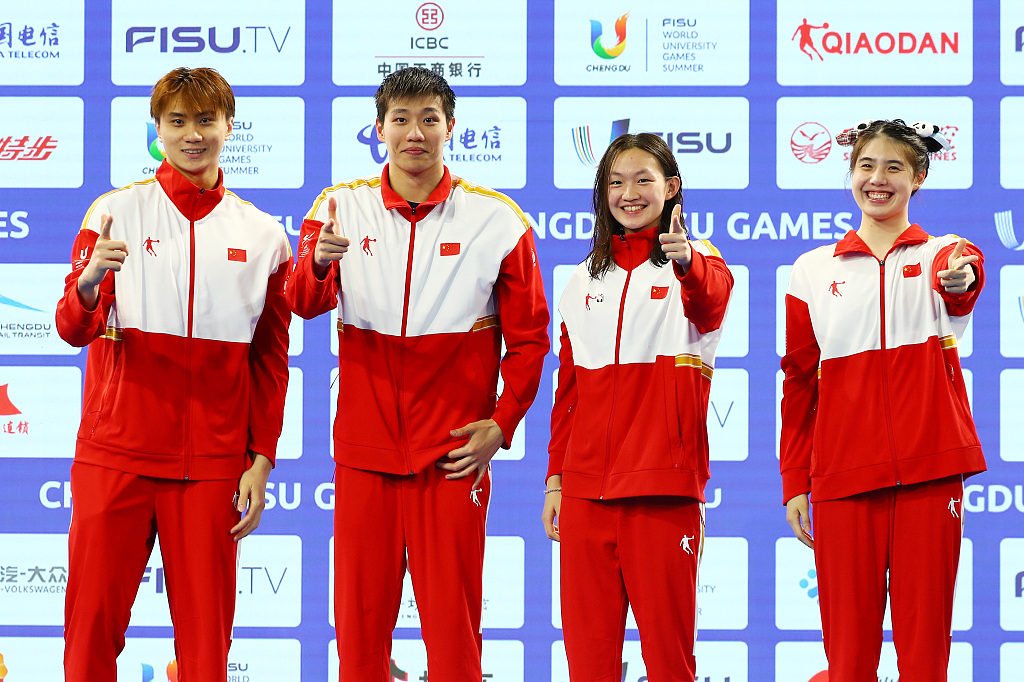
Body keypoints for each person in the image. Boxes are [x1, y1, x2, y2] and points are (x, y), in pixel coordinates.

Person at [286, 67, 549, 681]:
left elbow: (532, 341)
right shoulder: (337, 207)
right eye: (400, 119)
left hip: (452, 455)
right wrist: (320, 266)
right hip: (364, 453)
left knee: (454, 636)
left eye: (429, 119)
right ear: (378, 130)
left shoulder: (497, 220)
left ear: (450, 128)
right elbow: (300, 301)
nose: (414, 133)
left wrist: (501, 425)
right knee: (358, 637)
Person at [55, 67, 292, 682]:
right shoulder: (114, 212)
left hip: (211, 467)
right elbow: (70, 327)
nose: (193, 136)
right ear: (157, 130)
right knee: (88, 638)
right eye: (178, 122)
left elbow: (270, 360)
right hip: (117, 457)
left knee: (207, 655)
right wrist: (87, 285)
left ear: (229, 127)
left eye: (206, 121)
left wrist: (260, 457)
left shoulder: (263, 234)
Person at [780, 118, 986, 681]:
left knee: (926, 656)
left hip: (930, 471)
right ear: (851, 175)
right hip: (842, 479)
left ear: (918, 177)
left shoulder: (944, 251)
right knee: (847, 660)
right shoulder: (811, 271)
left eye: (895, 167)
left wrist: (958, 282)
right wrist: (796, 479)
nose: (879, 179)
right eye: (867, 166)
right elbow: (799, 381)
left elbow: (962, 276)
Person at [543, 133, 734, 681]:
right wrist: (556, 480)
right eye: (616, 181)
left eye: (643, 179)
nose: (629, 193)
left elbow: (709, 297)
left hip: (662, 492)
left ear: (672, 188)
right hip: (585, 495)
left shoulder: (700, 266)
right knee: (587, 662)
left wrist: (687, 260)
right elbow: (570, 392)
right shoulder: (582, 280)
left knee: (669, 662)